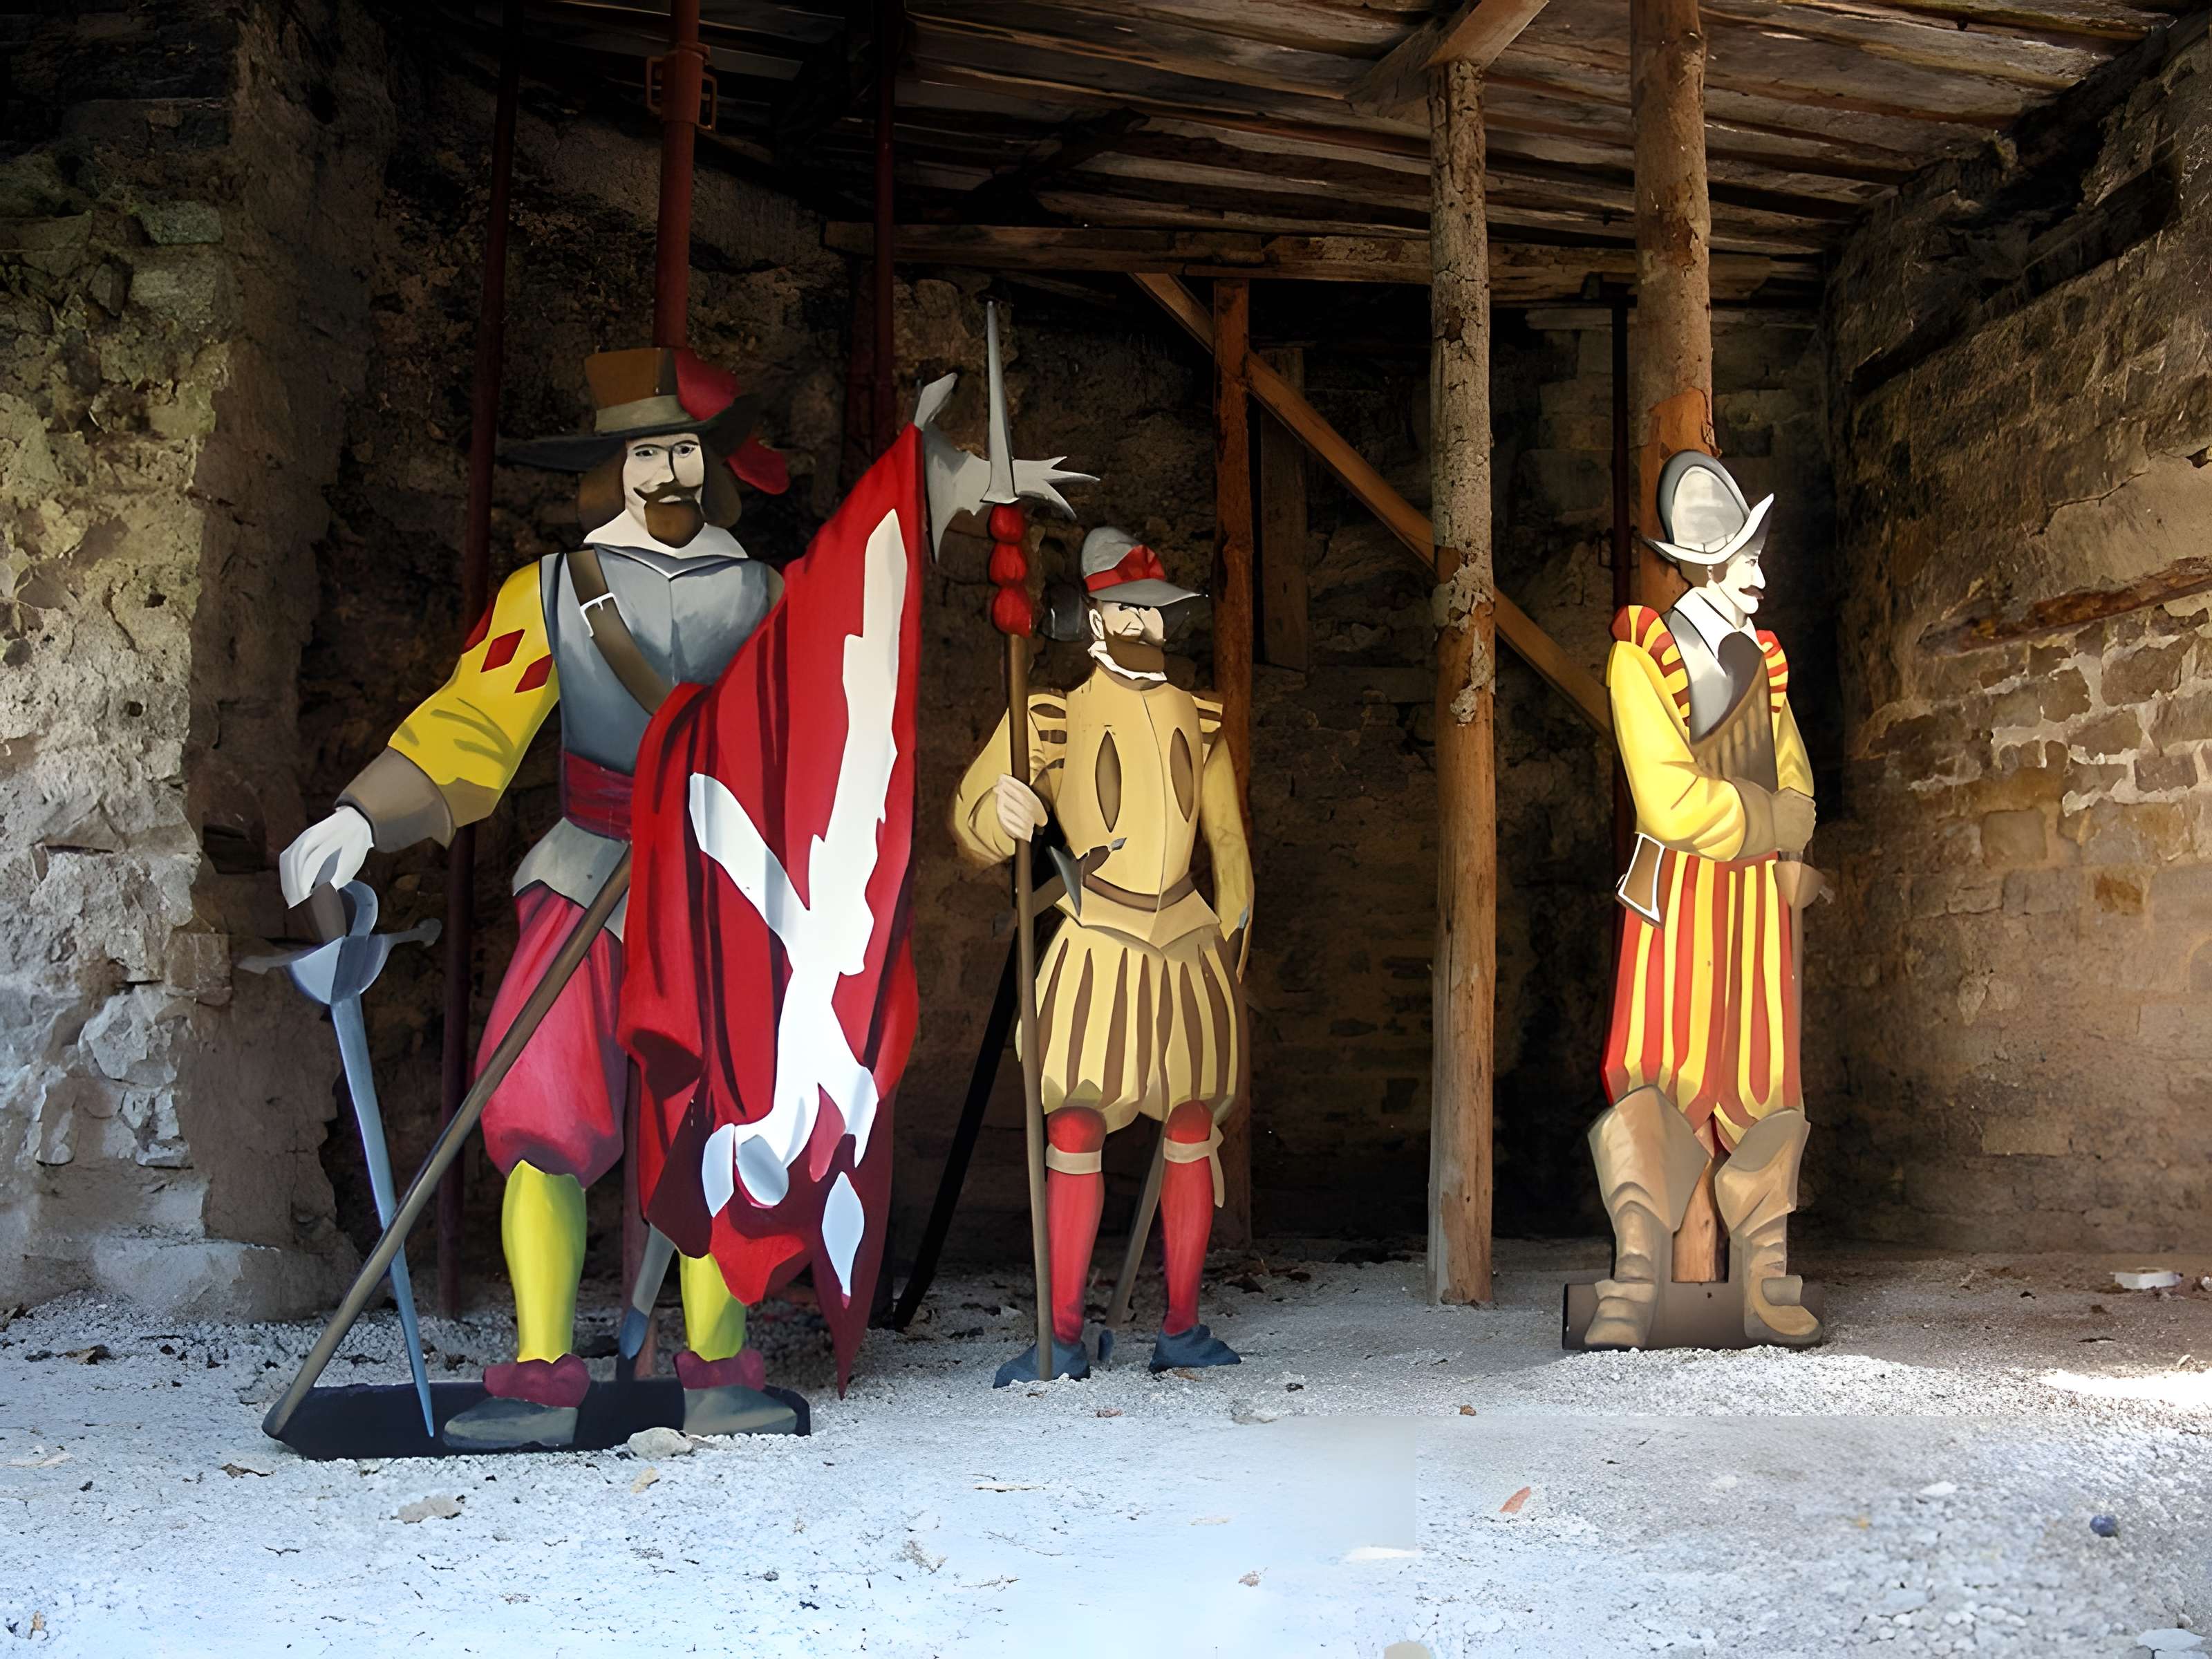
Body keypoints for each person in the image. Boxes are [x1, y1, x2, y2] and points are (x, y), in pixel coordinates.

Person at [951, 526, 1253, 1384]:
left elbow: (1227, 847)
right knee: (1076, 1122)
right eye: (1124, 610)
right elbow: (973, 823)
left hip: (1187, 940)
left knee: (1192, 1125)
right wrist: (1001, 810)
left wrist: (1232, 942)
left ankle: (1182, 1327)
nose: (1142, 627)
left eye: (1153, 613)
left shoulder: (1202, 718)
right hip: (1096, 937)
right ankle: (1064, 1333)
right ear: (1090, 617)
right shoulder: (1050, 713)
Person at [1591, 451, 1824, 1350]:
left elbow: (1801, 789)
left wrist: (1778, 827)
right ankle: (1637, 1281)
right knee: (1658, 1073)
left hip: (1757, 907)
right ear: (1701, 564)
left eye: (1757, 556)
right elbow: (1669, 801)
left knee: (1766, 1078)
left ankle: (1765, 1280)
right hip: (1679, 902)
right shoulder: (1639, 656)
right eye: (1743, 559)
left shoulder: (1766, 664)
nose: (1760, 577)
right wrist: (1769, 818)